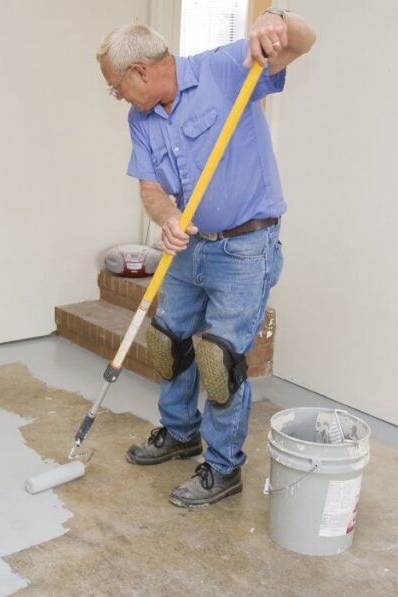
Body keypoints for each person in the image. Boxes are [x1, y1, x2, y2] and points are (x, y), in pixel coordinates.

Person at [96, 9, 316, 507]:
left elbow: (303, 42)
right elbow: (150, 189)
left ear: (140, 72)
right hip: (189, 245)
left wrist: (278, 22)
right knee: (168, 341)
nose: (117, 97)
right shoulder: (142, 118)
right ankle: (179, 433)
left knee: (220, 359)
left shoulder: (224, 68)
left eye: (116, 86)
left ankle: (222, 466)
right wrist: (168, 217)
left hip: (244, 246)